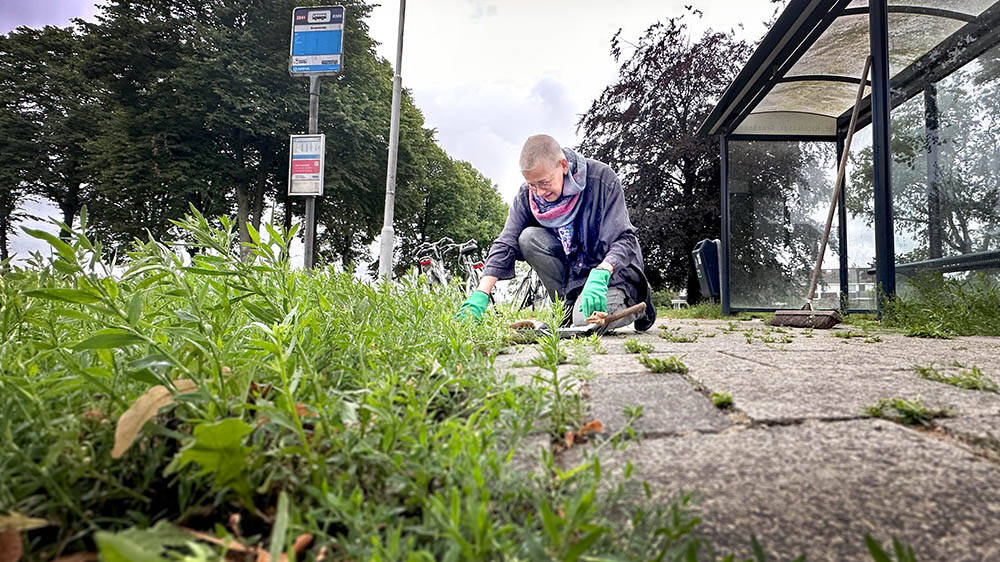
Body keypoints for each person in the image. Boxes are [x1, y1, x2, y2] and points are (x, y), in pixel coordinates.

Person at [457, 134, 655, 331]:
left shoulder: (602, 179)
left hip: (611, 274)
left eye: (544, 183)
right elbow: (506, 243)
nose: (539, 192)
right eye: (532, 185)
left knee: (584, 322)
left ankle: (640, 305)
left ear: (563, 165)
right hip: (574, 277)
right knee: (528, 238)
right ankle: (565, 307)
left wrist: (602, 272)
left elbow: (625, 239)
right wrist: (481, 293)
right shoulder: (528, 196)